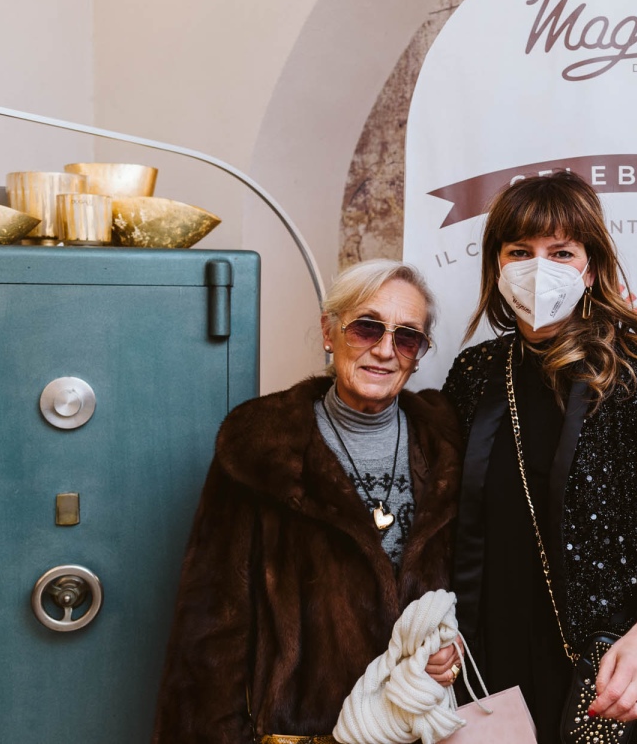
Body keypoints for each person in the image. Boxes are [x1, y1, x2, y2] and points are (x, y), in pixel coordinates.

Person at [443, 171, 637, 744]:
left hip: (623, 684)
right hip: (499, 679)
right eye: (519, 252)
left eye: (561, 253)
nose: (538, 268)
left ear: (591, 268)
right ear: (497, 266)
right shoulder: (474, 376)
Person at [153, 259, 463, 744]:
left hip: (419, 728)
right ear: (329, 331)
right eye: (366, 327)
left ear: (419, 355)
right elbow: (212, 625)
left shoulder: (447, 445)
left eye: (407, 338)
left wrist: (451, 647)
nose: (385, 350)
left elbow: (477, 587)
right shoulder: (261, 449)